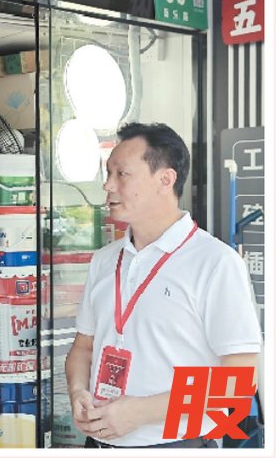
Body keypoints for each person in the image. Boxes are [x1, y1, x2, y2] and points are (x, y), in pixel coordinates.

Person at [65, 122, 262, 448]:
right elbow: (83, 348)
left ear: (165, 180)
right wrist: (77, 392)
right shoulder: (104, 260)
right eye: (108, 173)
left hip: (180, 444)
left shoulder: (215, 262)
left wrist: (139, 413)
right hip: (99, 443)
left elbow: (238, 381)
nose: (108, 185)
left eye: (121, 174)